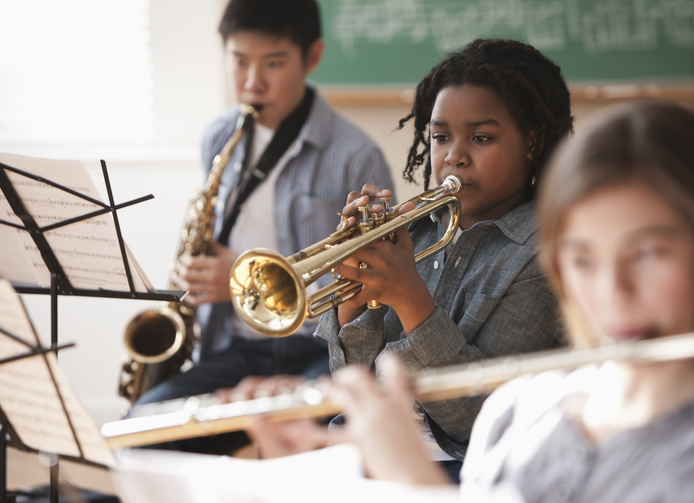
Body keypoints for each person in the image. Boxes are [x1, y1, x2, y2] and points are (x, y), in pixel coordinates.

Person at [249, 100, 694, 503]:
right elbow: (354, 376)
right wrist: (355, 289)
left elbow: (464, 420)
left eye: (647, 254)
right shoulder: (519, 413)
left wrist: (407, 477)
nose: (613, 292)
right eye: (583, 259)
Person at [225, 38, 574, 480]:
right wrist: (352, 296)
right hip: (367, 445)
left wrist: (410, 299)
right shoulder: (417, 231)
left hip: (463, 468)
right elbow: (352, 381)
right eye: (441, 137)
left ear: (532, 142)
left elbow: (478, 419)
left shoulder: (548, 252)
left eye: (481, 138)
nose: (454, 156)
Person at [130, 0, 392, 455]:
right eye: (239, 62)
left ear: (311, 57)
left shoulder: (356, 155)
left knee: (305, 438)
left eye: (273, 63)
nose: (252, 82)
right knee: (139, 432)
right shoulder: (218, 136)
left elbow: (380, 289)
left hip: (321, 354)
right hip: (236, 351)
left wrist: (238, 280)